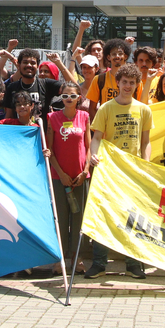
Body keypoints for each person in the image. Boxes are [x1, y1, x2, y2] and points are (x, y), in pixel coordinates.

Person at [85, 63, 153, 279]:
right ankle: (99, 263)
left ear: (137, 84)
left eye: (132, 83)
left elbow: (146, 142)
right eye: (124, 82)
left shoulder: (144, 109)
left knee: (133, 218)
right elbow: (96, 138)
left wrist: (146, 163)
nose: (128, 86)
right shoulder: (106, 108)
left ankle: (133, 264)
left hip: (133, 172)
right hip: (109, 171)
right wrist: (93, 155)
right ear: (118, 82)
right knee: (103, 215)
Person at [44, 81, 90, 275]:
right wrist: (61, 174)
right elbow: (49, 150)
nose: (69, 99)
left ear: (79, 98)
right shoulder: (52, 118)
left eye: (72, 96)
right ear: (60, 98)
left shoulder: (85, 116)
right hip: (59, 177)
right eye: (65, 96)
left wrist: (85, 171)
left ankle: (77, 258)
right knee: (61, 220)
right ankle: (60, 259)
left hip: (80, 177)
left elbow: (89, 147)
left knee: (78, 219)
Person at [4, 49, 64, 122]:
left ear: (37, 66)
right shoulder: (12, 87)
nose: (29, 65)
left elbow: (74, 89)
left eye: (32, 63)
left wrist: (59, 64)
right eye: (25, 62)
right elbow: (9, 116)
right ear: (19, 65)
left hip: (41, 131)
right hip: (18, 131)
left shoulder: (46, 84)